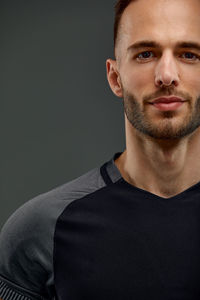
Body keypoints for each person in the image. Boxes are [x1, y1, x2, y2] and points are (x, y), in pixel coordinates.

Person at [1, 0, 200, 298]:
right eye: (146, 54)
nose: (167, 75)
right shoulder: (40, 230)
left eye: (189, 54)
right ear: (114, 77)